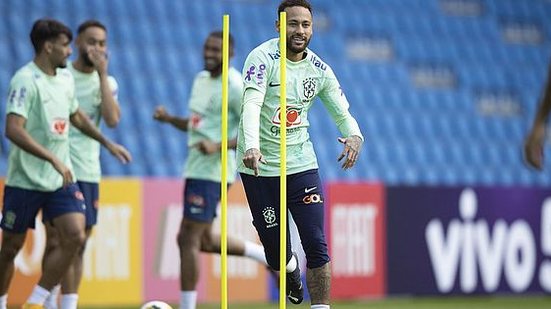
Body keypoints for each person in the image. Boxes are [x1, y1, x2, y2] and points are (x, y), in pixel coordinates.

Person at [237, 0, 363, 308]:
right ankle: (289, 268)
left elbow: (340, 109)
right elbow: (251, 105)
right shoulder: (262, 58)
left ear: (312, 29)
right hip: (259, 166)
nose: (300, 30)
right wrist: (252, 145)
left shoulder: (318, 69)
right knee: (275, 253)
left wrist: (355, 135)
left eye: (305, 25)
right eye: (293, 23)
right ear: (279, 26)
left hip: (301, 164)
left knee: (317, 244)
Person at [0, 19, 131, 309]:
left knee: (75, 236)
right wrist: (52, 158)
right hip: (26, 179)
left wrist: (108, 144)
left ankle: (37, 302)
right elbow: (13, 129)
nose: (69, 51)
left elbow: (79, 117)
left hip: (62, 177)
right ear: (49, 47)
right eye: (65, 45)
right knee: (10, 248)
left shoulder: (65, 80)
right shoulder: (25, 79)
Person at [153, 31, 272, 309]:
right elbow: (198, 125)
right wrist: (170, 119)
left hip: (214, 171)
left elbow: (254, 131)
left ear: (229, 54)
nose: (209, 53)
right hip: (195, 168)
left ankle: (187, 306)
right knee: (204, 239)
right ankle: (263, 256)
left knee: (187, 238)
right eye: (207, 48)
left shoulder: (234, 86)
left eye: (216, 49)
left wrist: (218, 146)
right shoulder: (200, 80)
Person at [42, 20, 121, 309]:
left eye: (102, 43)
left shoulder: (107, 82)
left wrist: (102, 74)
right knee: (55, 241)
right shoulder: (61, 76)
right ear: (76, 43)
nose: (97, 48)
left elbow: (112, 120)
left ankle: (68, 304)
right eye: (91, 42)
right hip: (59, 168)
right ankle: (48, 302)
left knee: (79, 244)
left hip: (88, 169)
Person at [524, 61, 551, 170]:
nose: (542, 155)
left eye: (538, 157)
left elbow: (545, 102)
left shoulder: (537, 129)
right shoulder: (539, 131)